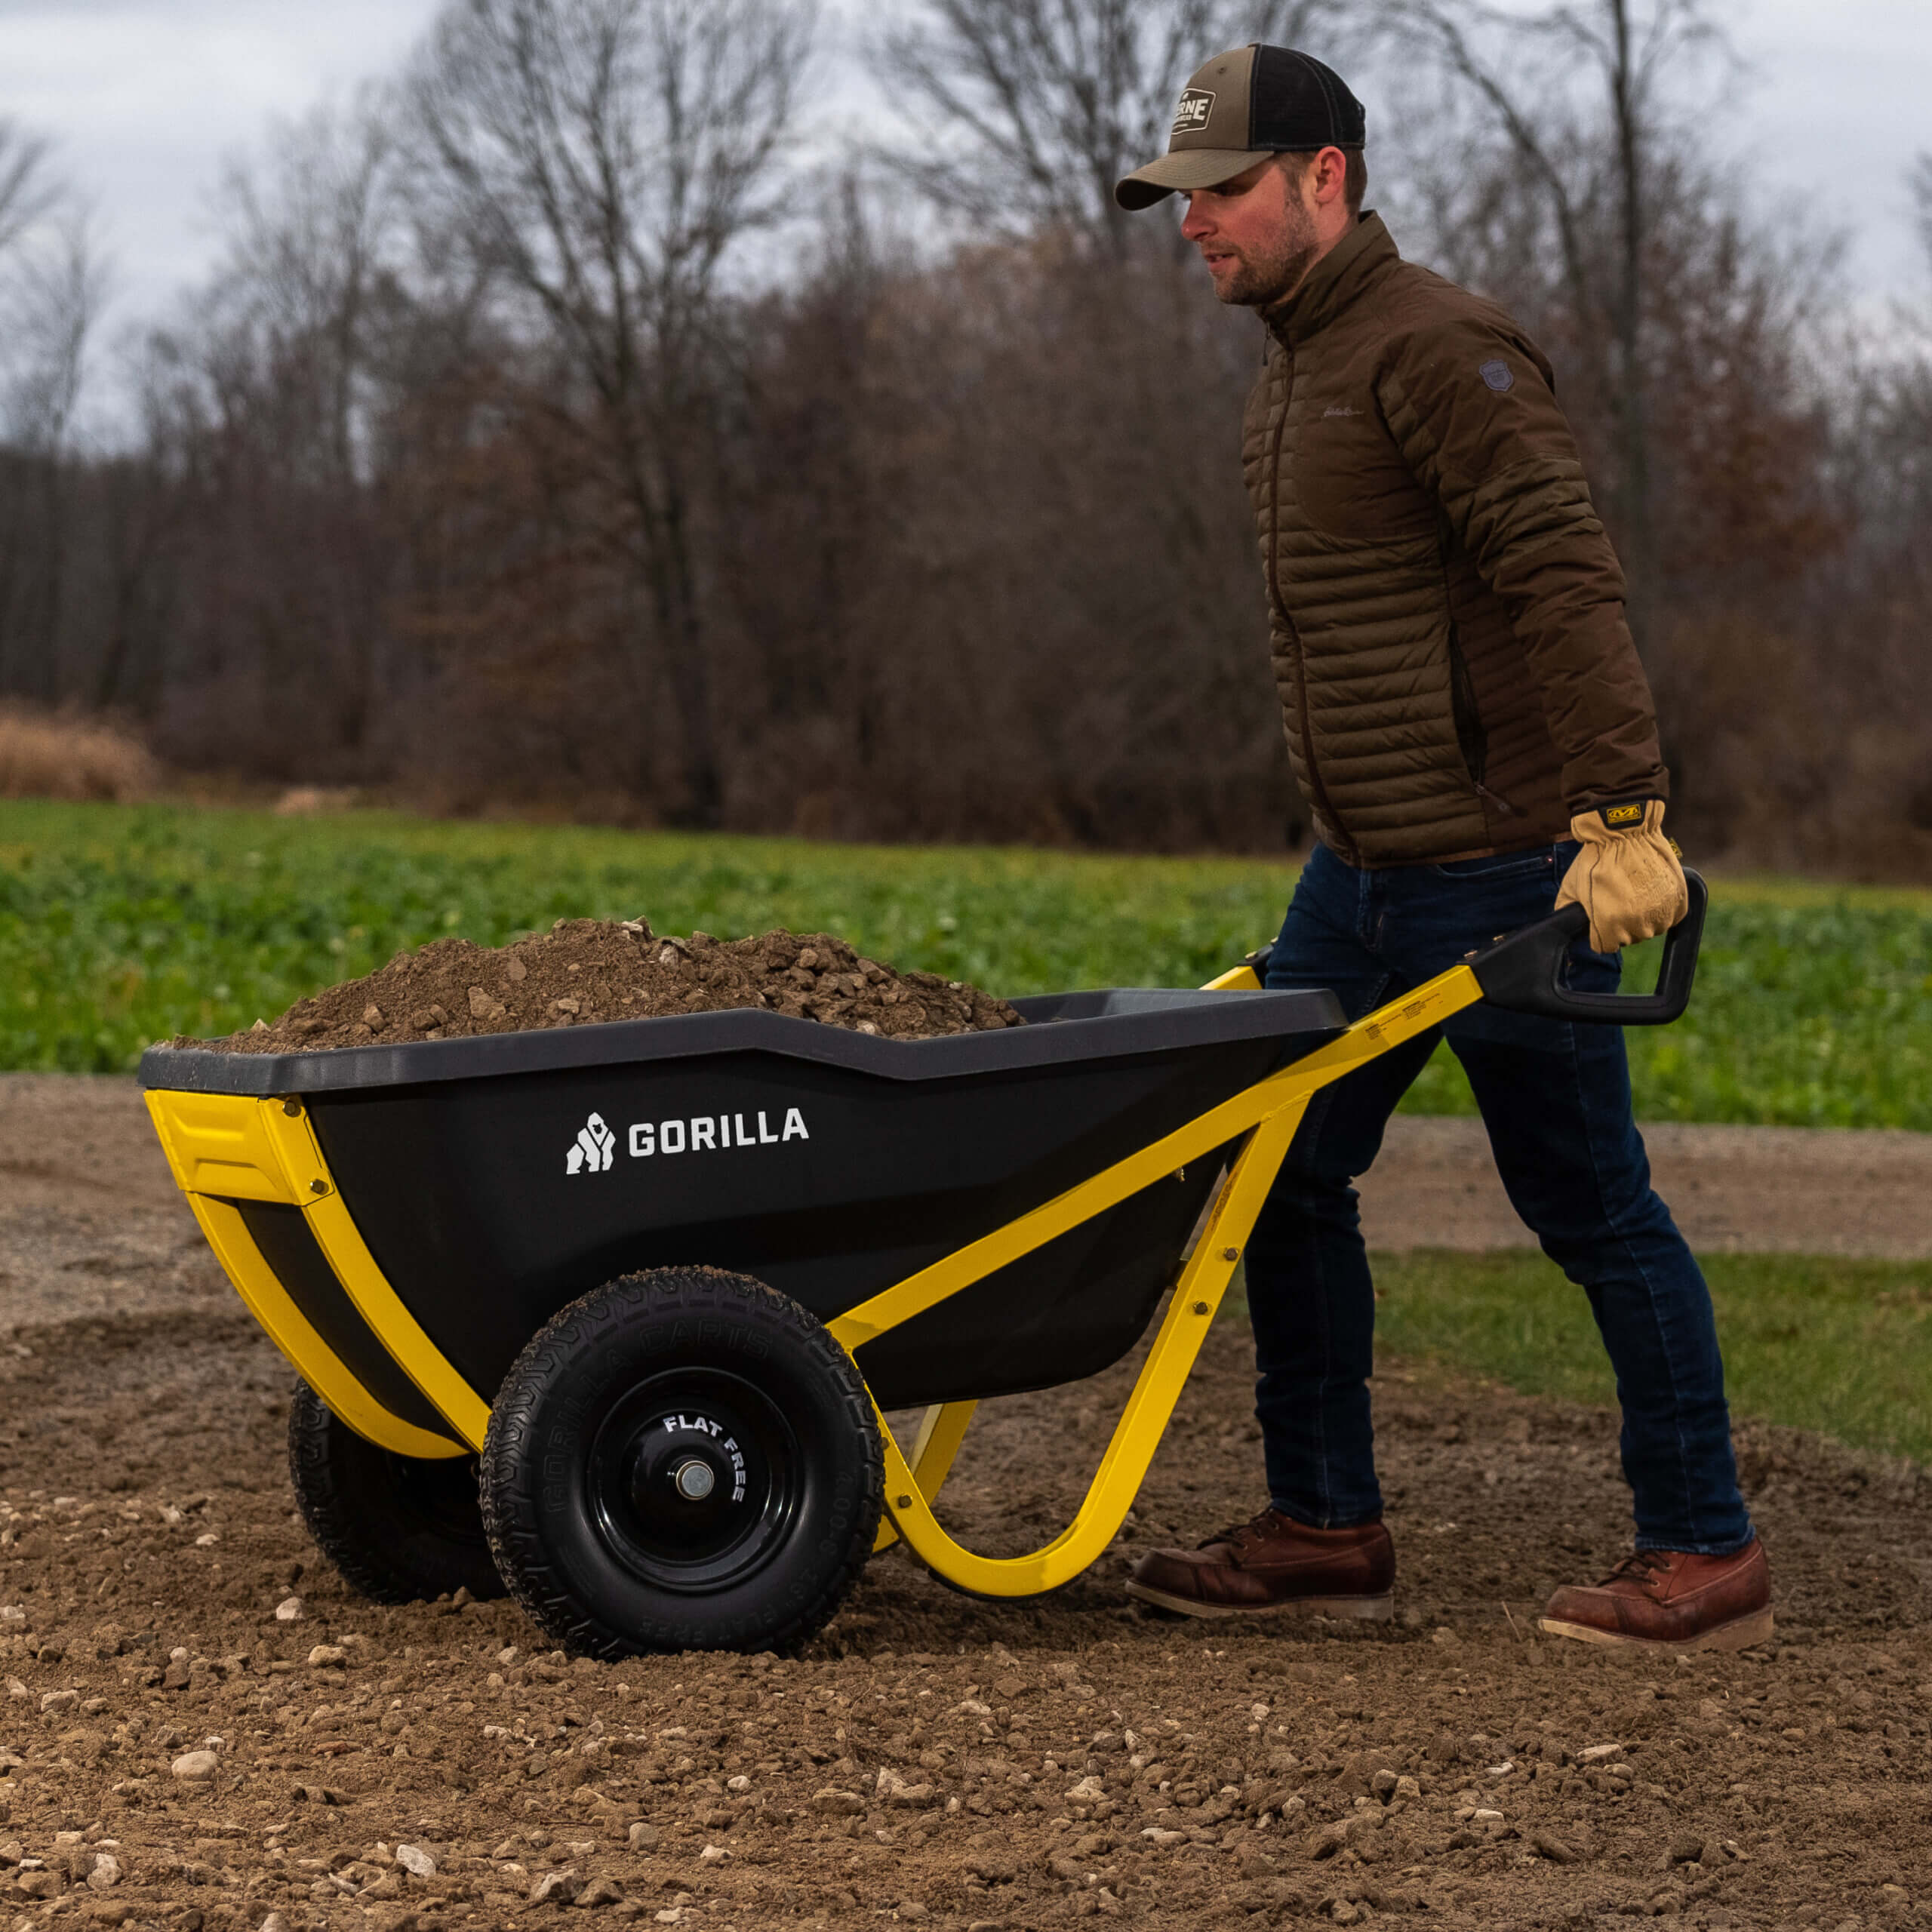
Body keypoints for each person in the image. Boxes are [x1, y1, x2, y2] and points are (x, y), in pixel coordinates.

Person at [1112, 44, 1770, 1651]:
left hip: (1494, 865)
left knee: (1590, 1205)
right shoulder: (1295, 366)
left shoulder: (1440, 351)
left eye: (1218, 192)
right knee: (1281, 1165)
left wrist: (1618, 816)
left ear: (1319, 179)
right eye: (1177, 198)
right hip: (1355, 872)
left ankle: (1704, 1548)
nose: (1190, 222)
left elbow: (1558, 573)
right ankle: (1325, 1521)